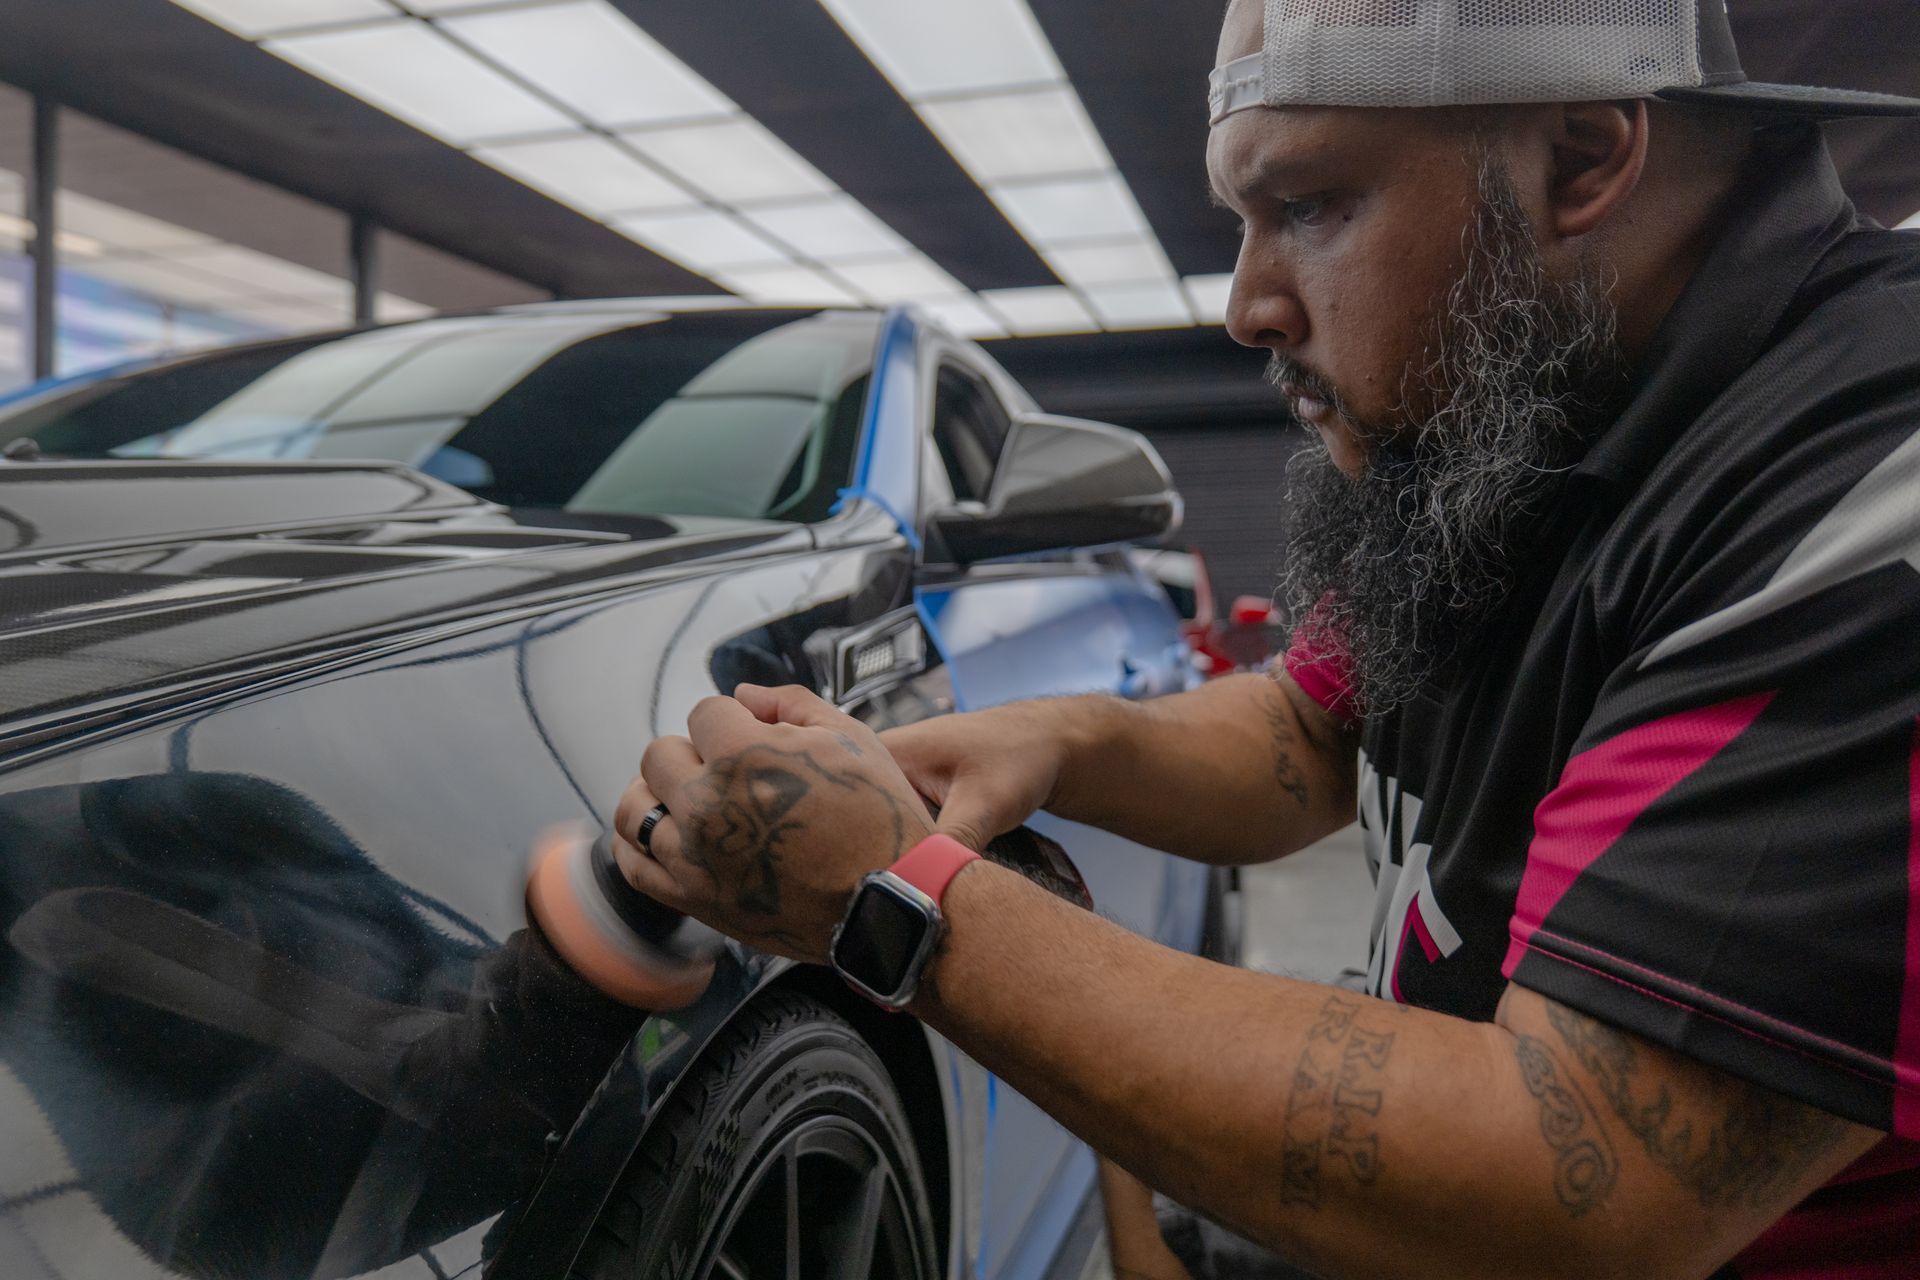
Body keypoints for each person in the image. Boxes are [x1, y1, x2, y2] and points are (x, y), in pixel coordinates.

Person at [606, 0, 1920, 1274]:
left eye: (1308, 205)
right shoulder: (1530, 402)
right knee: (1171, 1164)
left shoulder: (1867, 485)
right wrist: (1060, 740)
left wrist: (901, 902)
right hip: (1469, 1133)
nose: (1248, 304)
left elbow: (1582, 1189)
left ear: (1580, 156)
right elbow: (1310, 729)